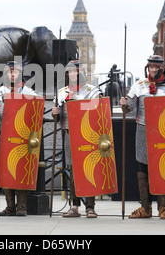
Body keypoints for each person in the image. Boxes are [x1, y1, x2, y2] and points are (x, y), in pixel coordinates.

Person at [120, 55, 165, 219]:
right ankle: (145, 207)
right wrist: (125, 105)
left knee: (161, 167)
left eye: (156, 67)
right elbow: (130, 109)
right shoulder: (139, 86)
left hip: (163, 133)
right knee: (143, 168)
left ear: (163, 68)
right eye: (151, 67)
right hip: (143, 129)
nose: (153, 70)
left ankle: (163, 207)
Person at [0, 61, 37, 216]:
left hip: (22, 137)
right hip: (4, 136)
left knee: (21, 169)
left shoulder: (29, 93)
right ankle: (10, 207)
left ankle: (21, 206)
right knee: (5, 170)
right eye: (9, 72)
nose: (12, 74)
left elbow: (36, 116)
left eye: (15, 72)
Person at [52, 60, 102, 218]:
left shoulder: (92, 90)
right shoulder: (62, 92)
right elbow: (59, 117)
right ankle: (75, 205)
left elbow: (99, 108)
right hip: (69, 132)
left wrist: (79, 106)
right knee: (73, 170)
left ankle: (90, 207)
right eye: (71, 71)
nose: (73, 74)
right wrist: (55, 113)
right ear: (68, 74)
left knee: (89, 167)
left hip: (87, 134)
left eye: (76, 71)